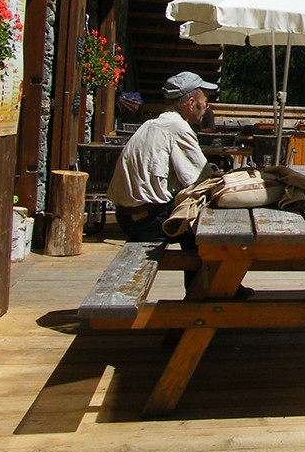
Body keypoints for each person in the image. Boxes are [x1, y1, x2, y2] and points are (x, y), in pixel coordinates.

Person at [107, 71, 253, 298]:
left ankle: (209, 290)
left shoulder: (153, 123)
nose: (207, 107)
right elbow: (202, 180)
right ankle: (209, 293)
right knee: (205, 233)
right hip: (147, 221)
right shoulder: (178, 127)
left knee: (195, 230)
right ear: (191, 103)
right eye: (205, 102)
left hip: (128, 217)